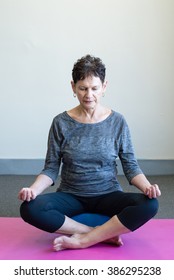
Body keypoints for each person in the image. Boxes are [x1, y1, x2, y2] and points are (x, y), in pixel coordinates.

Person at [18, 54, 161, 251]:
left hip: (108, 194)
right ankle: (94, 233)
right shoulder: (60, 122)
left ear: (104, 86)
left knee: (150, 204)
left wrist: (147, 188)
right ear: (73, 87)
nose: (89, 95)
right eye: (83, 88)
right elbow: (51, 168)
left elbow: (130, 165)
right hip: (71, 195)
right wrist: (33, 190)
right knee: (29, 208)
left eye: (94, 88)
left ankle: (82, 240)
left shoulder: (117, 122)